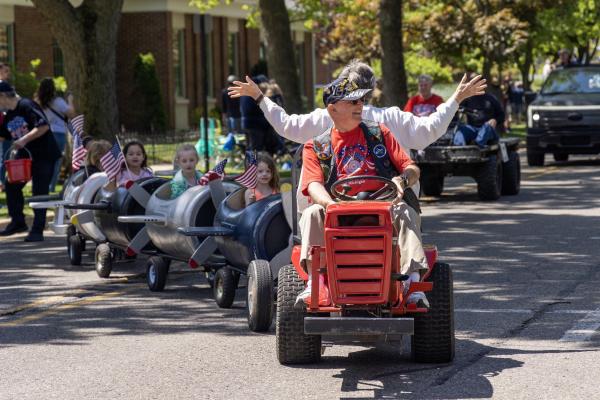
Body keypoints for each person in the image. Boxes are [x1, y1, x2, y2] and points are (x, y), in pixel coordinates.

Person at [296, 78, 429, 306]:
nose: (361, 105)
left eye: (362, 100)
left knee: (405, 211)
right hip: (338, 206)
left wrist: (402, 180)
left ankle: (413, 286)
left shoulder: (379, 133)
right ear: (332, 108)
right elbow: (313, 184)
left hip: (383, 204)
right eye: (354, 101)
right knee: (311, 214)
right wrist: (329, 204)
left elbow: (411, 167)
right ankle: (315, 284)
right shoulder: (316, 146)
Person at [228, 59, 486, 152]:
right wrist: (455, 100)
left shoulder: (326, 117)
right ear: (372, 89)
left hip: (343, 205)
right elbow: (429, 131)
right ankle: (409, 270)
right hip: (381, 204)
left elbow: (287, 126)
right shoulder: (392, 118)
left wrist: (261, 99)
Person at [0, 81, 61, 241]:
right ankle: (18, 222)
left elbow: (43, 126)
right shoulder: (9, 115)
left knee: (39, 191)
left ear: (3, 96)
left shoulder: (27, 105)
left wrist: (24, 140)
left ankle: (37, 230)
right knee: (11, 184)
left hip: (44, 155)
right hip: (26, 158)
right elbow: (4, 135)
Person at [35, 77, 76, 192]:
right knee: (56, 161)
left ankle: (43, 184)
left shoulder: (38, 102)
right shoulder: (58, 102)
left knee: (45, 161)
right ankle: (51, 186)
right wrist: (70, 100)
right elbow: (71, 114)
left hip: (44, 133)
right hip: (58, 134)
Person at [452, 73, 505, 148]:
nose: (474, 84)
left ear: (482, 83)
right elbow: (456, 109)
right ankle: (458, 148)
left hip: (488, 130)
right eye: (472, 82)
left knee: (487, 126)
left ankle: (476, 146)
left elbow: (501, 115)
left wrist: (495, 120)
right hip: (472, 129)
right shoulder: (467, 99)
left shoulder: (491, 98)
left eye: (476, 81)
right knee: (461, 128)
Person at [0, 62, 12, 193]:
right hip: (3, 129)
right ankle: (2, 182)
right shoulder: (3, 86)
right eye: (5, 71)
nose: (7, 74)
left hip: (6, 128)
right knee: (4, 157)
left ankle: (3, 182)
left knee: (4, 157)